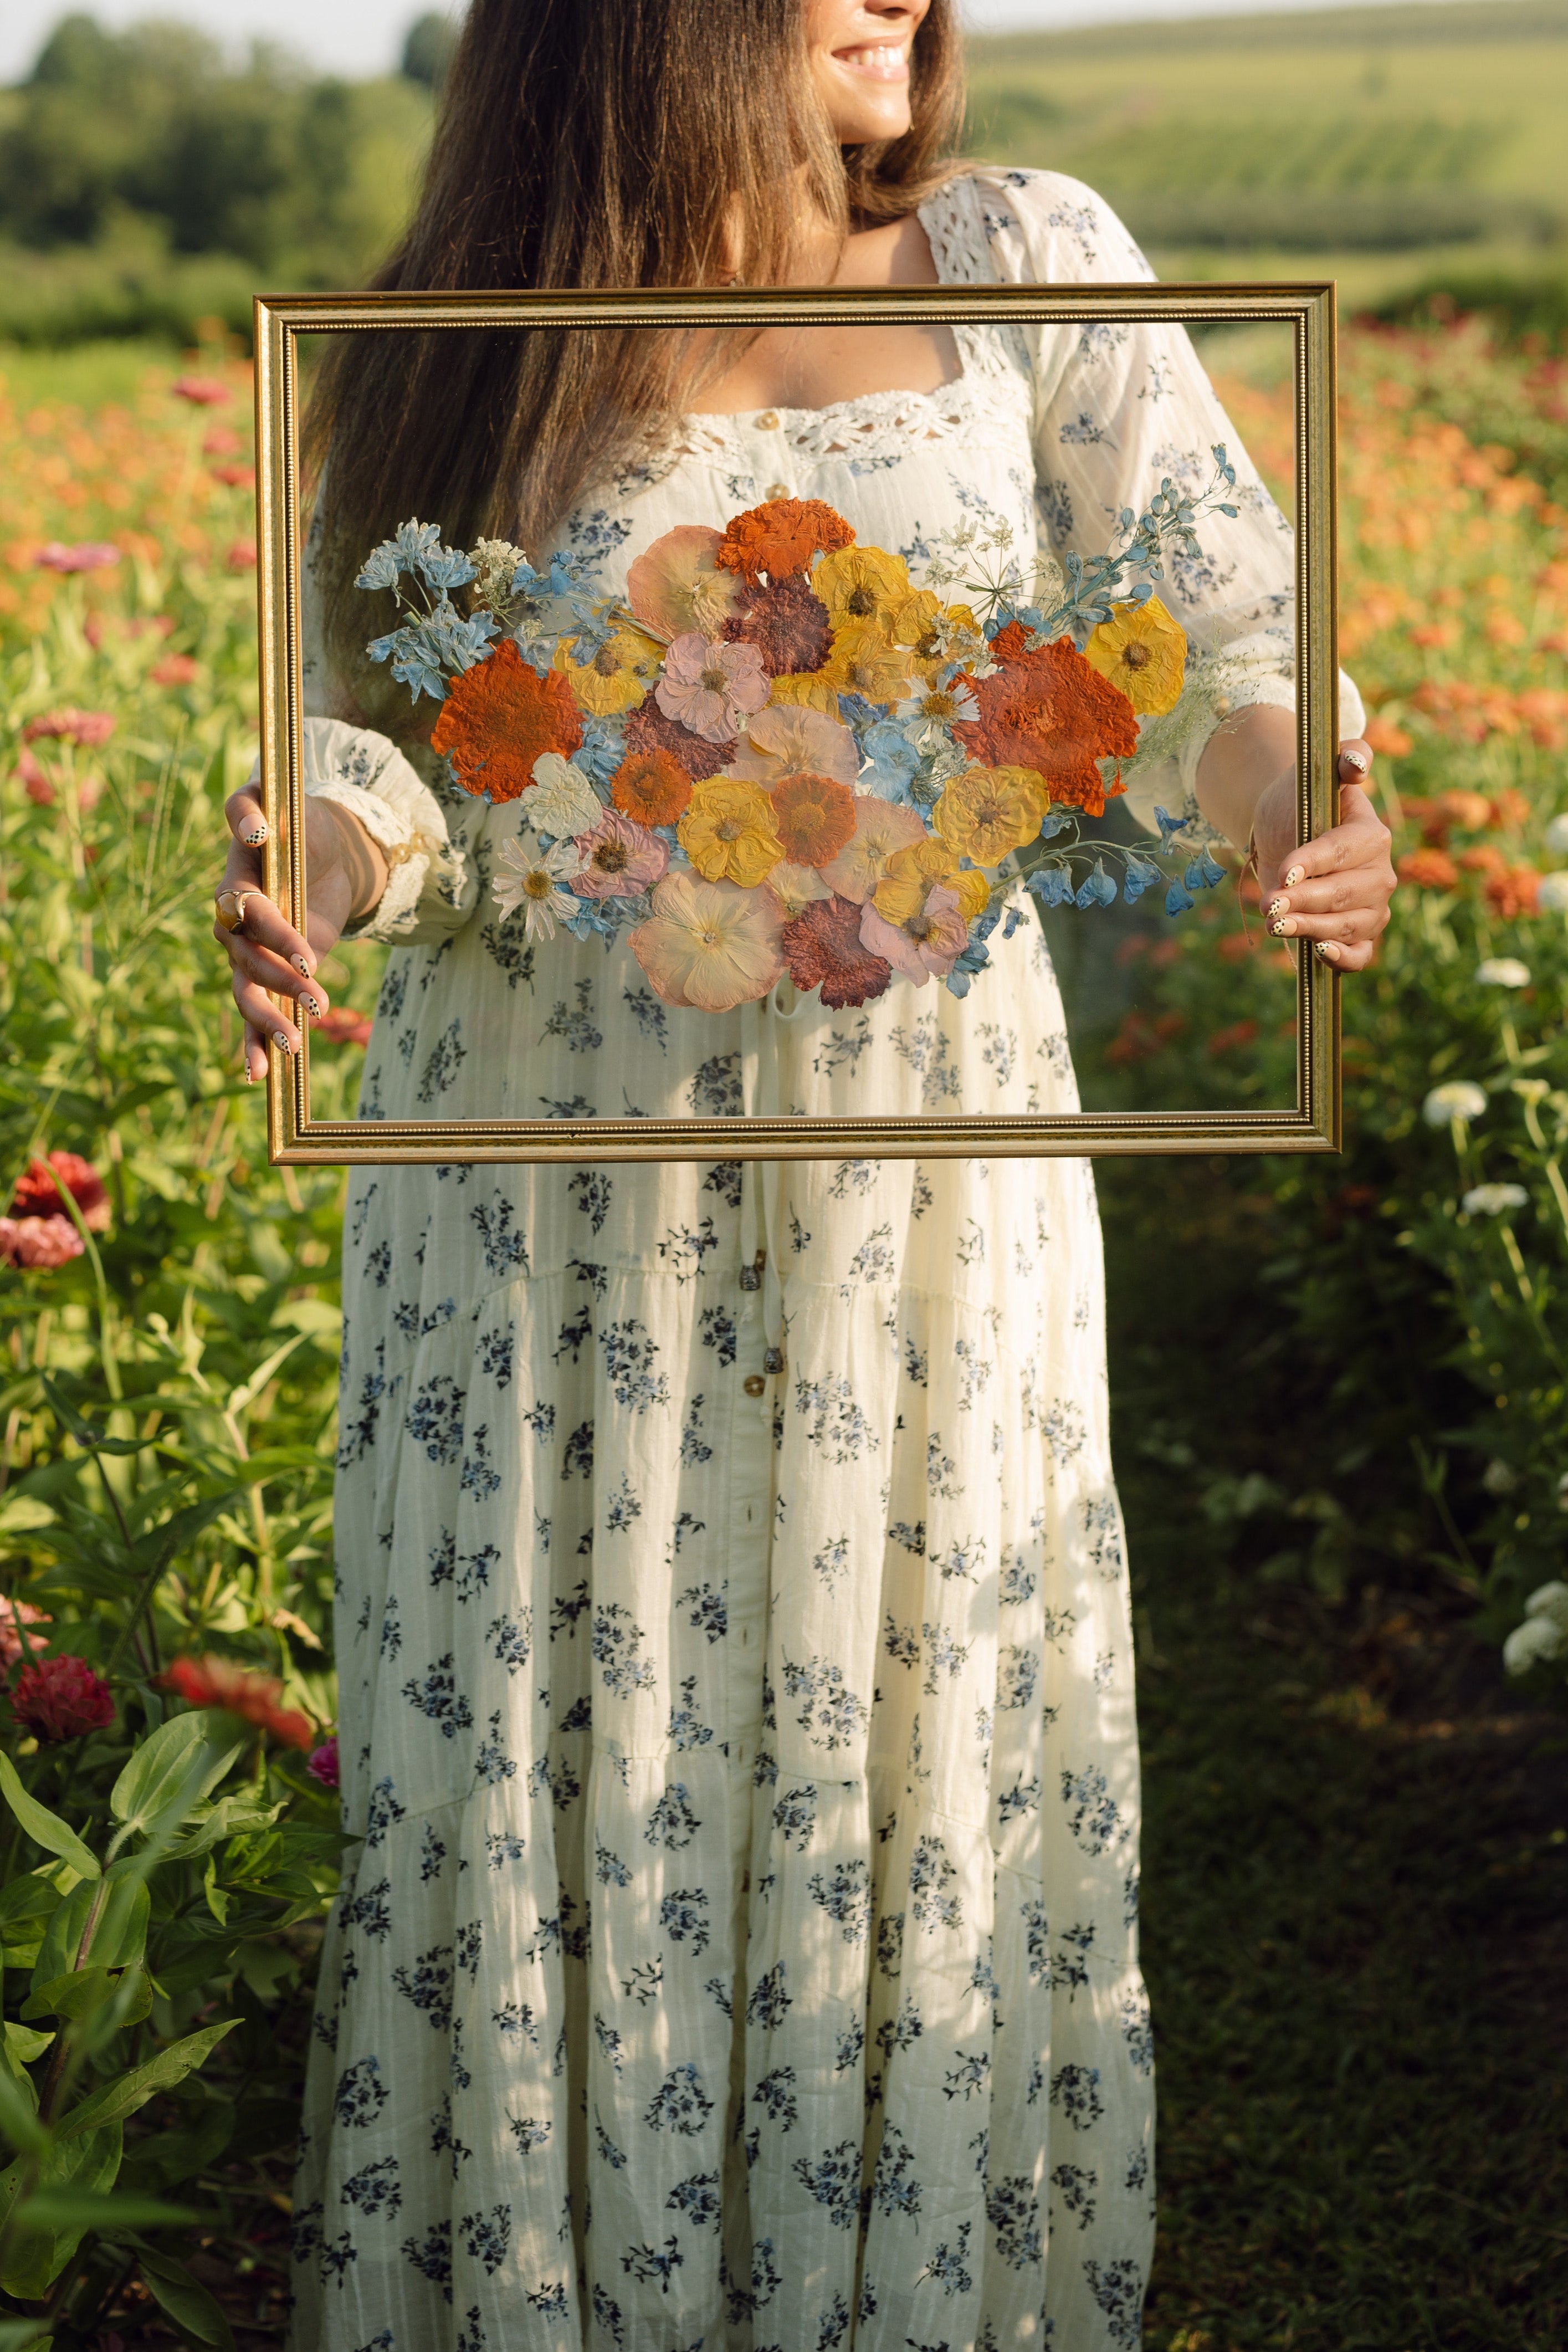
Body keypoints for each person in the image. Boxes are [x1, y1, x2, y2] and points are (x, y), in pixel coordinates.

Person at [213, 3, 1396, 2344]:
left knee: (909, 1724)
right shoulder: (462, 338)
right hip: (550, 1211)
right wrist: (314, 878)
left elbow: (1218, 640)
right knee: (577, 1742)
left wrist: (1298, 824)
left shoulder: (1018, 259)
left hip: (916, 1208)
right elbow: (396, 743)